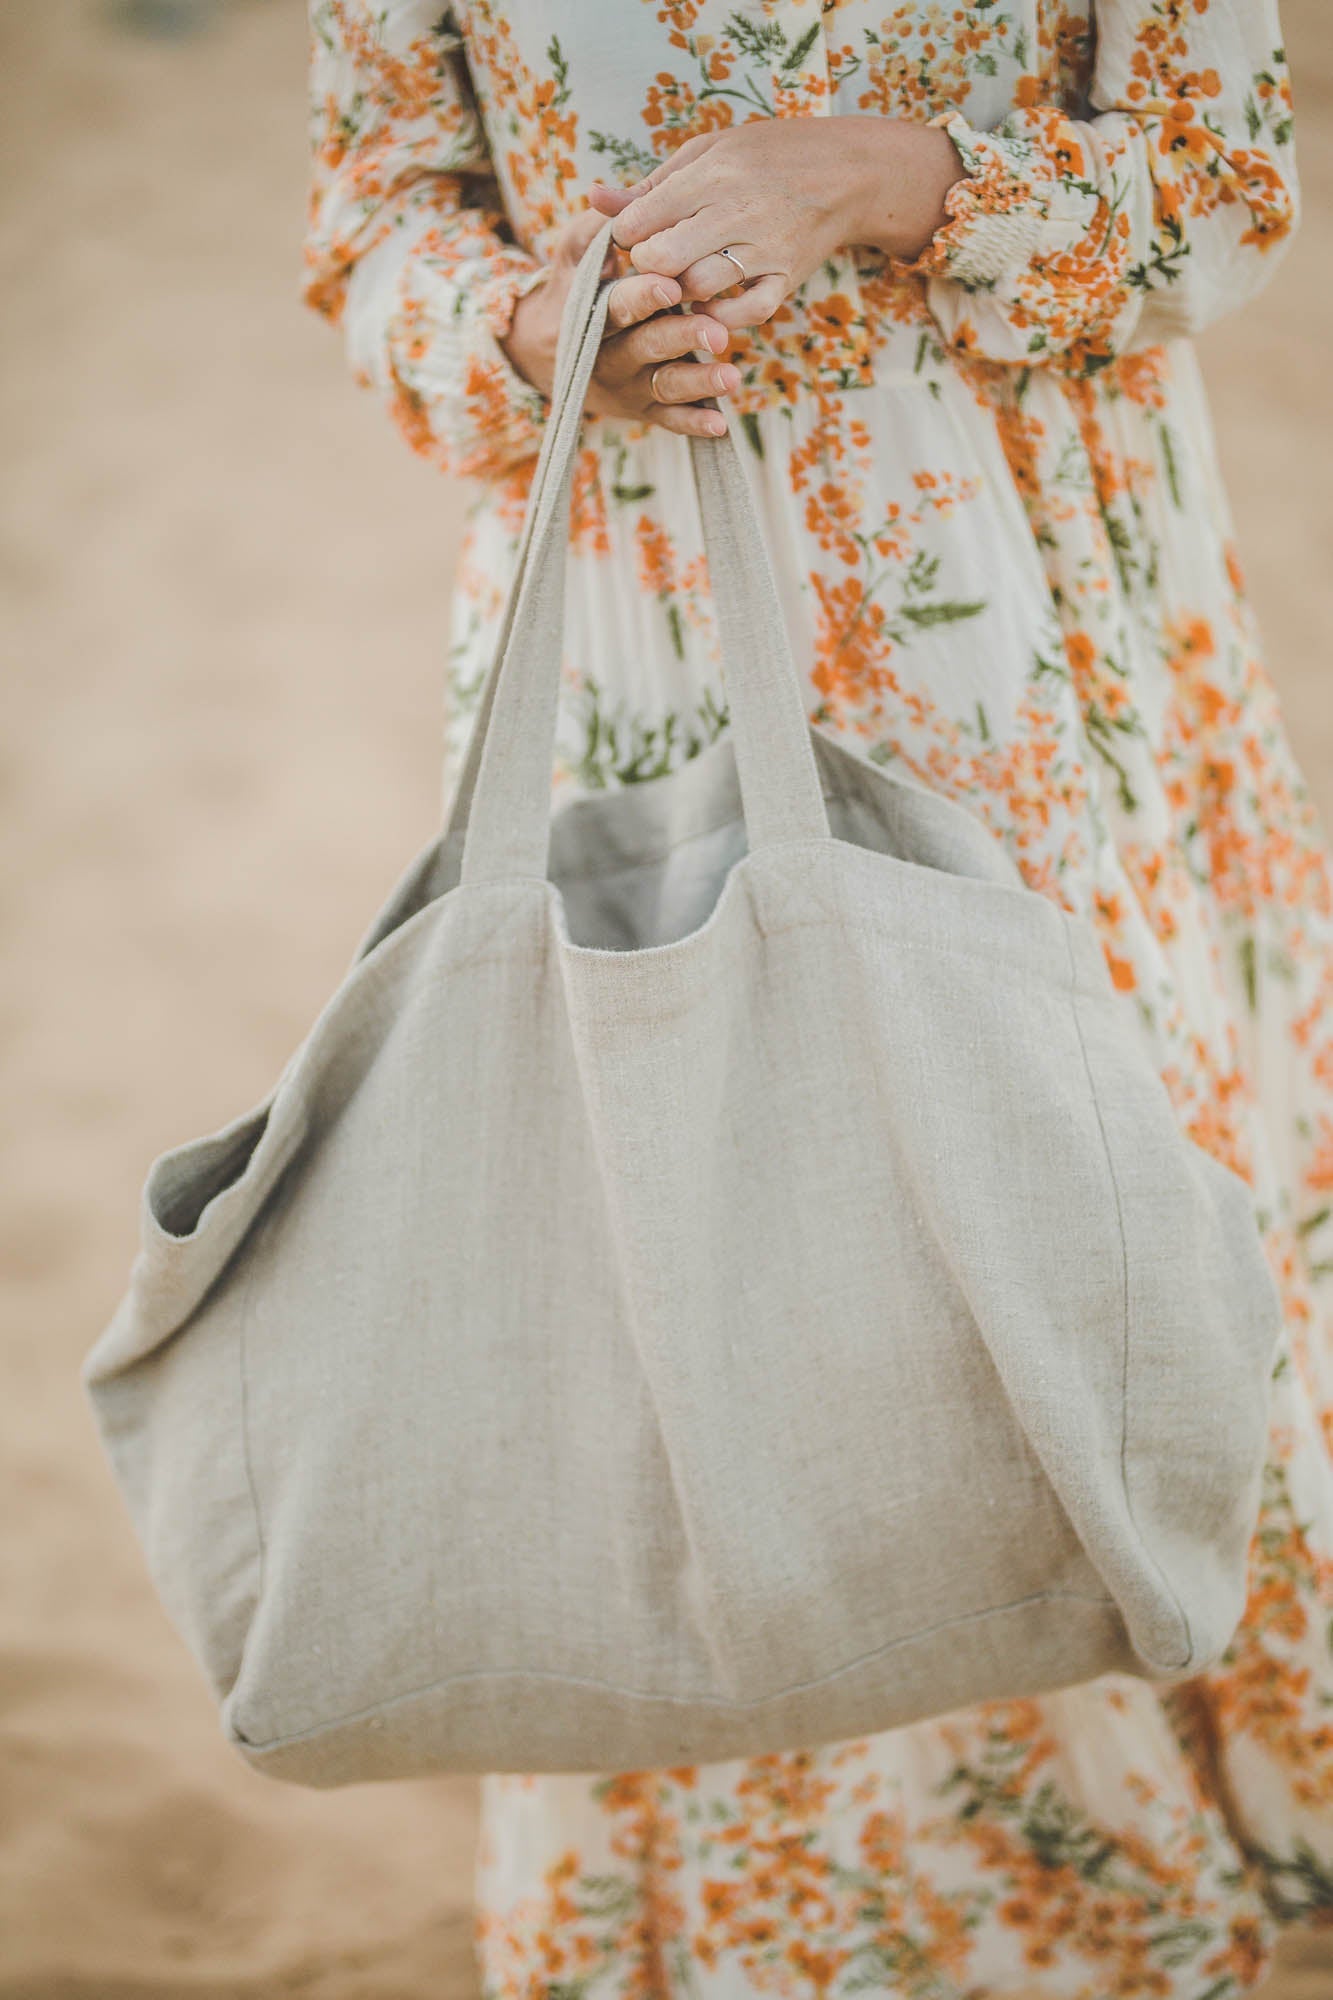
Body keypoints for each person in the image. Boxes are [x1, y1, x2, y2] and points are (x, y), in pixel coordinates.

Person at [304, 4, 1332, 1992]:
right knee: (697, 1302)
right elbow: (373, 218)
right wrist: (527, 331)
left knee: (1067, 1254)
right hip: (632, 621)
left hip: (1030, 630)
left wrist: (892, 175)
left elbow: (1230, 196)